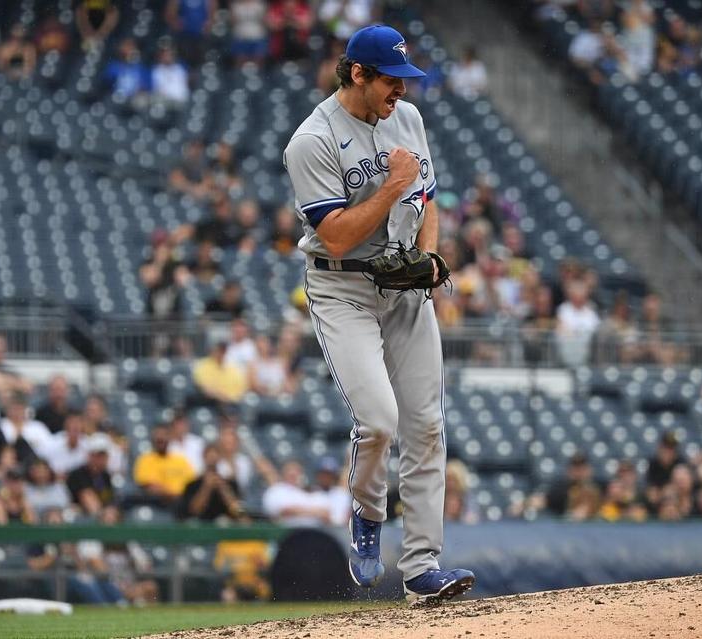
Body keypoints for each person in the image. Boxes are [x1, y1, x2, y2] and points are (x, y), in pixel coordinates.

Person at [282, 24, 474, 604]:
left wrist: (430, 256)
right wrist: (390, 189)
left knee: (428, 426)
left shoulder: (408, 120)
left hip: (403, 289)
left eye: (405, 79)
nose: (401, 91)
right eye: (391, 80)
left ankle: (421, 569)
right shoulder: (310, 140)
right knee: (380, 421)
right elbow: (336, 237)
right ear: (357, 74)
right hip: (343, 291)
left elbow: (427, 198)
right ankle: (367, 511)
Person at [134, 425, 196, 509]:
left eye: (164, 436)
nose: (161, 439)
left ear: (169, 438)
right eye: (158, 438)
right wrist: (174, 495)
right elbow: (150, 488)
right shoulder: (145, 460)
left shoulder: (181, 460)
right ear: (153, 440)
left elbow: (191, 483)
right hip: (159, 504)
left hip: (183, 504)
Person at [177, 445, 246, 521]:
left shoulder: (230, 484)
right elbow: (194, 511)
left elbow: (240, 513)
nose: (212, 459)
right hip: (201, 524)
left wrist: (224, 490)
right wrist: (206, 488)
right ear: (204, 457)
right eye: (209, 456)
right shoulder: (192, 485)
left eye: (215, 456)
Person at [66, 436, 116, 516]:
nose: (102, 459)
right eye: (98, 455)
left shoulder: (105, 475)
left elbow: (108, 499)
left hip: (99, 514)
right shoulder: (78, 474)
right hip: (79, 518)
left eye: (104, 455)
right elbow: (88, 500)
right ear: (90, 456)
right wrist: (105, 514)